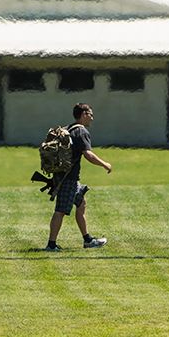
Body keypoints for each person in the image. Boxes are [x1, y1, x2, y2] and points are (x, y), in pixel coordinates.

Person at [45, 103, 111, 251]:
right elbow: (88, 154)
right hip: (68, 178)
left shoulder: (68, 128)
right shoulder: (81, 131)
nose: (92, 118)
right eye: (90, 114)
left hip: (64, 175)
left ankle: (88, 240)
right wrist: (104, 164)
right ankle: (51, 245)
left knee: (81, 203)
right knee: (60, 210)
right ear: (83, 114)